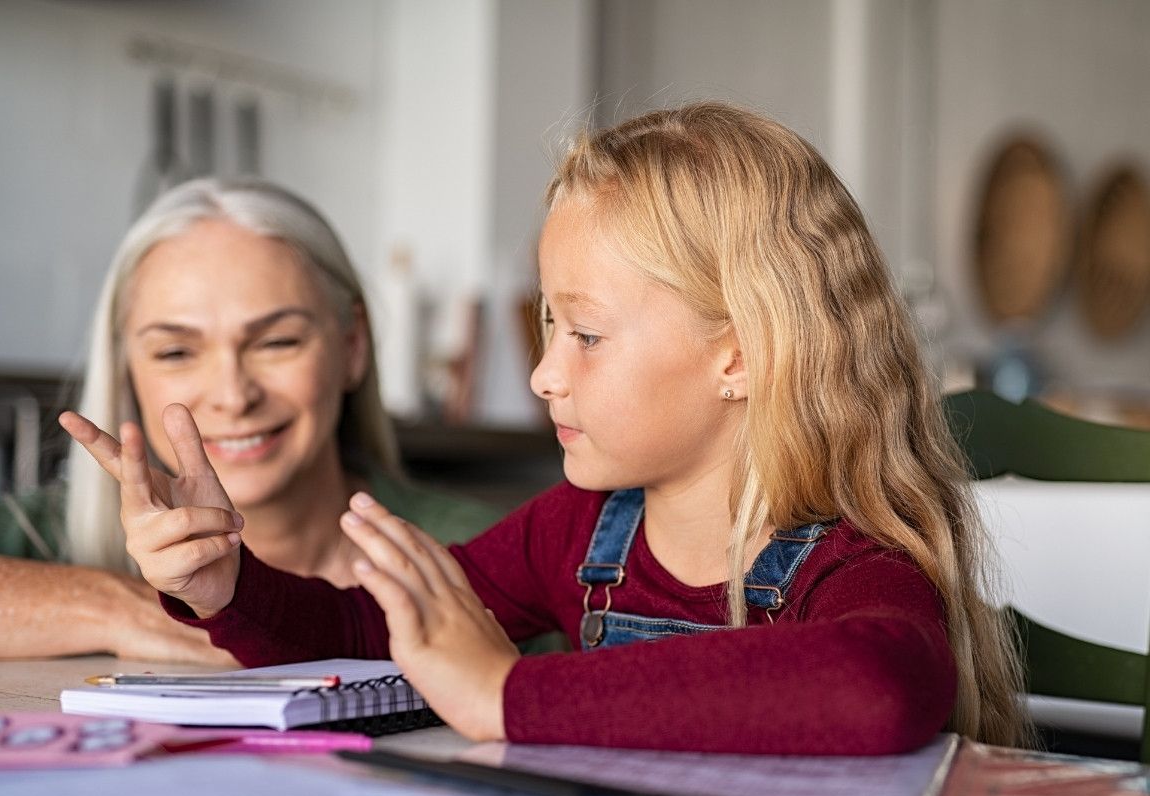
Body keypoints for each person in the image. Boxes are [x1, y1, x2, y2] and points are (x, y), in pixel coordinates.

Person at [70, 104, 1026, 754]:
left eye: (587, 335)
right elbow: (378, 633)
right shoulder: (573, 531)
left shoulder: (847, 563)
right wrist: (225, 585)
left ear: (737, 355)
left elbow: (875, 689)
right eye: (546, 327)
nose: (541, 374)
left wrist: (504, 697)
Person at [0, 177, 499, 663]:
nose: (234, 397)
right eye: (175, 352)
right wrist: (119, 608)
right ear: (125, 372)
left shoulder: (478, 551)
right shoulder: (41, 538)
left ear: (352, 346)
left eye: (278, 342)